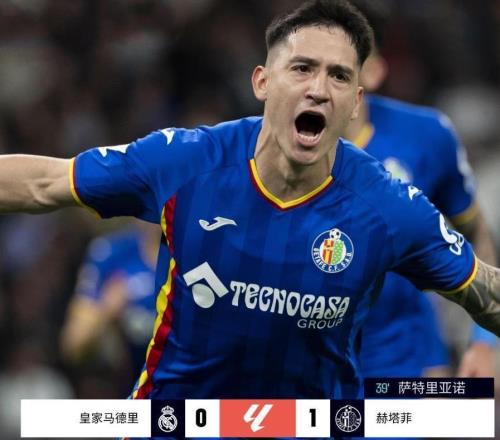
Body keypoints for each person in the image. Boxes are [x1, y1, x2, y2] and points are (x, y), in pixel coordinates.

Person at [0, 0, 498, 400]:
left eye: (339, 76)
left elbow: (486, 291)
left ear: (355, 103)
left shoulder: (388, 205)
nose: (319, 89)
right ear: (262, 81)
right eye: (302, 68)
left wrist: (486, 344)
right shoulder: (186, 160)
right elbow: (45, 182)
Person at [345, 0, 498, 379]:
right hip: (302, 370)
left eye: (341, 66)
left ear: (374, 71)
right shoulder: (268, 147)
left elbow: (475, 234)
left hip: (407, 363)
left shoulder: (427, 136)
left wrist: (484, 341)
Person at [60, 221, 159, 389]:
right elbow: (73, 345)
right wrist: (107, 308)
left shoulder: (197, 255)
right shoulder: (110, 252)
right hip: (126, 386)